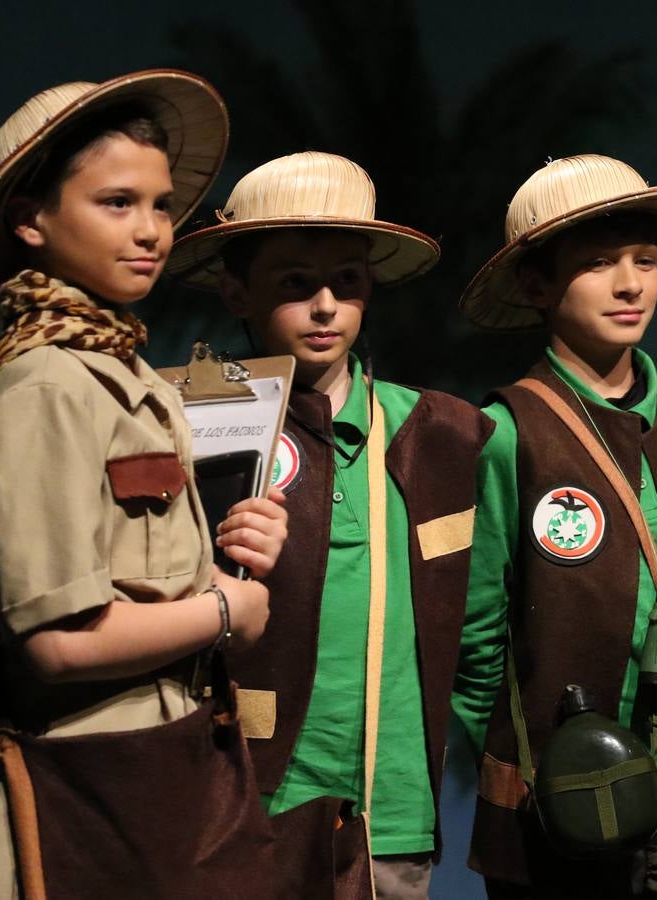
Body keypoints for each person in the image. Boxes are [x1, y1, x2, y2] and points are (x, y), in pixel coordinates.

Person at [0, 72, 288, 897]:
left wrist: (226, 562)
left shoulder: (121, 375)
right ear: (31, 220)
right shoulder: (48, 388)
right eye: (116, 203)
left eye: (162, 205)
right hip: (79, 791)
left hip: (152, 778)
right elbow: (60, 643)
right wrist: (222, 612)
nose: (152, 232)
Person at [167, 150, 493, 900]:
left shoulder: (443, 433)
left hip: (392, 817)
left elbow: (483, 627)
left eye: (347, 282)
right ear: (234, 291)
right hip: (239, 809)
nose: (325, 306)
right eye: (293, 283)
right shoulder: (187, 424)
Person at [453, 154, 657, 899]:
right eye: (598, 263)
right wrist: (539, 773)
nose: (630, 284)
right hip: (570, 811)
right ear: (536, 284)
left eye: (645, 260)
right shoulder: (506, 431)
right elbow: (475, 642)